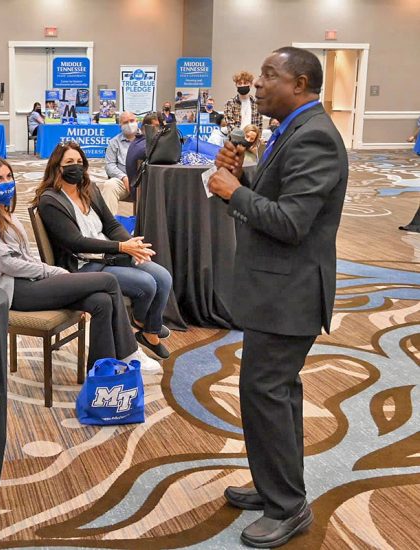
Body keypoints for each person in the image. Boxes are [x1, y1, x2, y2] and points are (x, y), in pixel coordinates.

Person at [208, 46, 348, 547]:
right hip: (276, 290)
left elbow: (291, 223)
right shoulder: (291, 129)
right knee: (275, 394)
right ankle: (276, 485)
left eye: (270, 75)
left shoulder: (315, 138)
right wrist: (243, 178)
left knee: (265, 395)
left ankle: (288, 506)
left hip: (290, 295)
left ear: (300, 85)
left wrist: (233, 191)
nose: (259, 83)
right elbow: (279, 197)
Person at [0, 156, 160, 372]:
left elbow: (25, 258)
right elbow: (7, 264)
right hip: (15, 290)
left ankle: (101, 372)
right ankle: (129, 352)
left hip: (30, 281)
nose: (6, 182)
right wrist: (51, 272)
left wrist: (49, 272)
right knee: (108, 281)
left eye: (9, 176)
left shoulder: (4, 213)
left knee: (102, 301)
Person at [34, 142, 173, 359]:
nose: (76, 166)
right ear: (57, 167)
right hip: (84, 265)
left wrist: (132, 245)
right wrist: (121, 247)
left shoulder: (89, 189)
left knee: (163, 277)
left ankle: (148, 329)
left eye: (79, 162)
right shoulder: (50, 201)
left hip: (108, 255)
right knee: (146, 284)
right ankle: (143, 322)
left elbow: (111, 225)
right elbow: (76, 242)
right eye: (69, 162)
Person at [98, 111, 138, 215]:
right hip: (123, 182)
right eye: (125, 122)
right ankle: (110, 223)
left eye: (132, 121)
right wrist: (123, 177)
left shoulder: (147, 138)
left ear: (137, 121)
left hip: (144, 180)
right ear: (120, 125)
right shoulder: (114, 142)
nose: (129, 124)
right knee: (109, 185)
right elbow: (109, 165)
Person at [125, 111, 164, 187]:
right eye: (157, 126)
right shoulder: (146, 147)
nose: (160, 130)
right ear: (146, 128)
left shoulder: (138, 142)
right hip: (142, 192)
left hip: (141, 189)